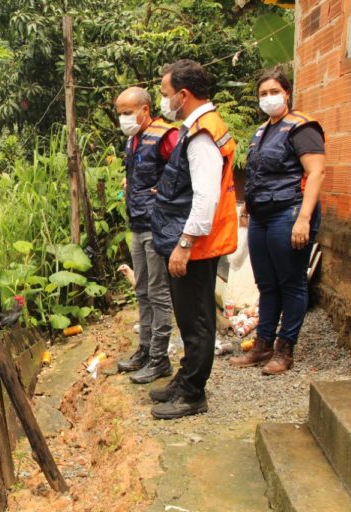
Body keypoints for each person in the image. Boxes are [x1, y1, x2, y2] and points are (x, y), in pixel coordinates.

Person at [148, 59, 238, 420]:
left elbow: (206, 197)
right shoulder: (199, 127)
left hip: (198, 244)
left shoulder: (202, 133)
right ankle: (185, 378)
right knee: (189, 316)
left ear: (183, 95)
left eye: (166, 93)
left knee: (197, 319)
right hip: (192, 238)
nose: (163, 99)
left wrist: (184, 245)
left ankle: (193, 392)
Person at [230, 68, 325, 375]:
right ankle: (262, 346)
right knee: (267, 284)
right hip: (262, 216)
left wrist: (303, 219)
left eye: (274, 92)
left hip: (289, 212)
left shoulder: (301, 127)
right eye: (263, 93)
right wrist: (247, 206)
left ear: (287, 93)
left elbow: (316, 173)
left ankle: (285, 350)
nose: (268, 98)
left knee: (292, 282)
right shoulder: (262, 131)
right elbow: (258, 174)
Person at [114, 87, 178, 384]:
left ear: (144, 109)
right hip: (137, 222)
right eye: (120, 113)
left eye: (128, 112)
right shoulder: (133, 139)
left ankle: (160, 358)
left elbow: (182, 169)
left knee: (158, 292)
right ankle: (145, 350)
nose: (123, 118)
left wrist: (165, 189)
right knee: (141, 289)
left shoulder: (165, 134)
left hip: (157, 225)